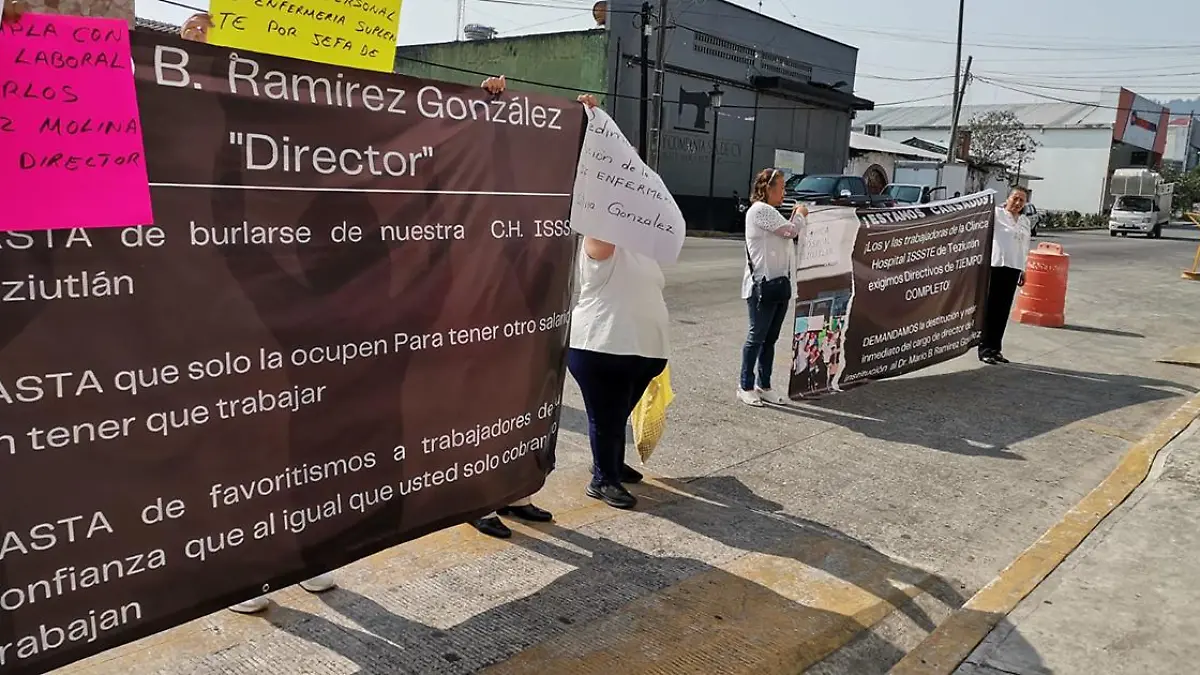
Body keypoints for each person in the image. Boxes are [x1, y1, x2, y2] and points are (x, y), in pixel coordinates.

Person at [468, 74, 558, 535]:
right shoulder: (477, 200)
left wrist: (588, 120)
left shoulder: (534, 203)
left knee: (522, 409)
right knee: (486, 411)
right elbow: (488, 156)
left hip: (527, 319)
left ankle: (515, 494)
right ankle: (479, 502)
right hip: (484, 320)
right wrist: (493, 106)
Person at [738, 168, 807, 407]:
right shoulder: (760, 210)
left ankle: (764, 385)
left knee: (770, 339)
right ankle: (745, 385)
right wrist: (799, 214)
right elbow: (791, 231)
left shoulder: (772, 212)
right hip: (762, 285)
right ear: (768, 188)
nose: (784, 192)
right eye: (782, 187)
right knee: (757, 337)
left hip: (779, 284)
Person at [979, 186, 1031, 365]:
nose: (1017, 203)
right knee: (991, 309)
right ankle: (985, 349)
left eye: (1021, 200)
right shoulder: (997, 215)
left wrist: (1023, 269)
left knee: (1002, 311)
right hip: (996, 266)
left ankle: (995, 349)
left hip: (1013, 268)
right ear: (1007, 198)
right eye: (1015, 198)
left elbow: (1025, 247)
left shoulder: (1024, 221)